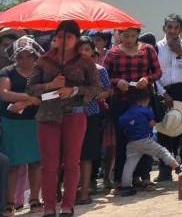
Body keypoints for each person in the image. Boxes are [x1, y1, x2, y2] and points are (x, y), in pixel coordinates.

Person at [28, 21, 100, 217]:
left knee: (71, 162)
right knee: (49, 163)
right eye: (60, 36)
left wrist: (74, 90)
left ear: (76, 39)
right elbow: (30, 88)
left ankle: (68, 205)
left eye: (68, 37)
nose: (63, 40)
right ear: (55, 38)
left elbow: (96, 89)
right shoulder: (43, 60)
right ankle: (49, 206)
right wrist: (49, 85)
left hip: (75, 113)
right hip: (48, 115)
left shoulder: (86, 62)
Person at [104, 25, 162, 191]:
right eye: (125, 36)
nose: (129, 40)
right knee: (122, 139)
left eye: (132, 36)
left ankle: (143, 176)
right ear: (119, 35)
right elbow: (105, 76)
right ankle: (120, 179)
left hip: (142, 101)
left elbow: (158, 72)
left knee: (144, 137)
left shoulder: (148, 50)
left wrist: (147, 79)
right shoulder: (112, 53)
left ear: (138, 35)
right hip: (120, 101)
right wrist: (117, 82)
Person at [0, 37, 42, 214]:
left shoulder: (41, 73)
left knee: (36, 162)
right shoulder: (6, 71)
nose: (24, 60)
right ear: (14, 57)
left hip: (35, 122)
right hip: (11, 123)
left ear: (35, 56)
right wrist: (28, 98)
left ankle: (34, 199)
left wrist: (28, 103)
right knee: (13, 164)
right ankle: (10, 202)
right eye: (20, 57)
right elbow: (4, 94)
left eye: (28, 56)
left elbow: (46, 96)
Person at [155, 14, 182, 180]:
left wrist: (180, 54)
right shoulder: (156, 48)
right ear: (164, 28)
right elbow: (154, 74)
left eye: (176, 28)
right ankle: (164, 170)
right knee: (164, 130)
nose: (173, 31)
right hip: (163, 90)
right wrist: (162, 93)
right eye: (169, 27)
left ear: (180, 29)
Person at [118, 90, 181, 196]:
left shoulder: (124, 115)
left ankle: (126, 186)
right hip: (145, 140)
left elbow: (123, 127)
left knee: (129, 164)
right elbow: (152, 124)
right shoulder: (146, 111)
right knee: (162, 151)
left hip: (131, 143)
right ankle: (177, 167)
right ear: (145, 101)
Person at [77, 35, 112, 205]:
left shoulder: (100, 70)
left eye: (87, 49)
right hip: (72, 115)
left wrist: (96, 94)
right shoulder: (68, 70)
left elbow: (107, 90)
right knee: (72, 153)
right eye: (80, 49)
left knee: (89, 153)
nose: (83, 52)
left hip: (92, 114)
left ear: (93, 52)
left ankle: (86, 188)